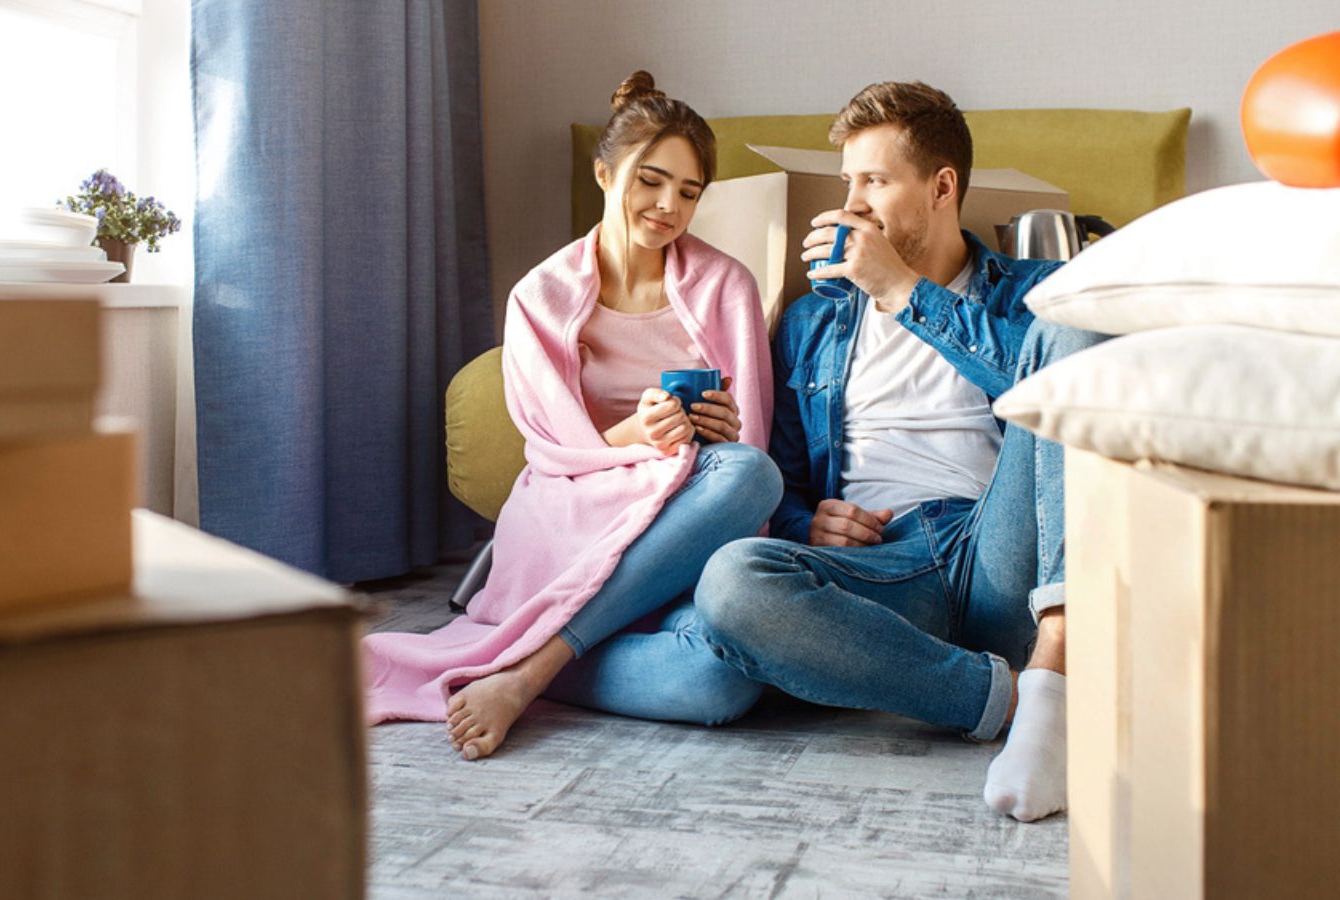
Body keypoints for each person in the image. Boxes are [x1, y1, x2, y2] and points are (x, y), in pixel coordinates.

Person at [692, 81, 1103, 822]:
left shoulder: (1034, 296)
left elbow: (1061, 392)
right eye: (848, 182)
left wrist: (905, 291)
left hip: (997, 548)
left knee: (1077, 330)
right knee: (731, 582)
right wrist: (806, 520)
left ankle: (1056, 662)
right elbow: (781, 481)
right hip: (884, 566)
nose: (855, 202)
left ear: (941, 187)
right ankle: (1006, 701)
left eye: (875, 181)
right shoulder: (813, 323)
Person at [364, 72, 781, 760]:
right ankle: (534, 670)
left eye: (688, 191)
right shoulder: (541, 295)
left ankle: (526, 663)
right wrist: (637, 436)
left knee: (721, 677)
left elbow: (751, 439)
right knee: (743, 501)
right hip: (572, 510)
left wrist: (718, 433)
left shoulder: (727, 284)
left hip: (683, 512)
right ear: (604, 173)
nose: (667, 205)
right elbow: (556, 449)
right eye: (650, 181)